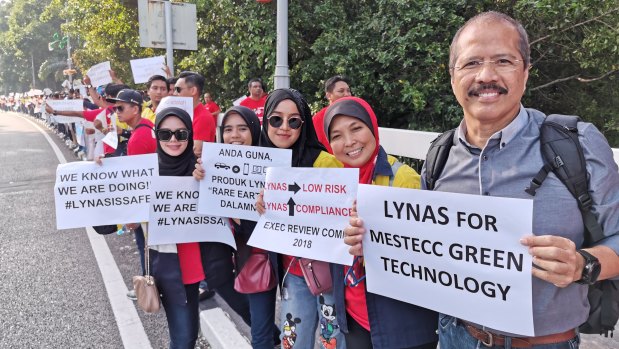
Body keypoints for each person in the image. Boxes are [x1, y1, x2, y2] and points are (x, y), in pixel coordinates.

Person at [344, 11, 619, 349]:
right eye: (471, 63)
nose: (487, 76)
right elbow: (427, 247)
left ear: (526, 72)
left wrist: (583, 264)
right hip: (455, 337)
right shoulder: (440, 155)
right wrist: (375, 239)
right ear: (452, 76)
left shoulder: (577, 144)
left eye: (503, 60)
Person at [324, 96, 438, 349]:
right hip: (353, 316)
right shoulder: (333, 184)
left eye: (356, 129)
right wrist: (269, 205)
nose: (349, 142)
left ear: (373, 128)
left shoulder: (404, 179)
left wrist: (376, 246)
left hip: (402, 324)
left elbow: (430, 253)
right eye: (337, 135)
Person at [255, 89, 346, 349]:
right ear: (266, 122)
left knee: (332, 343)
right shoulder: (258, 165)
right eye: (276, 120)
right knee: (292, 342)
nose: (284, 127)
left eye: (294, 121)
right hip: (293, 275)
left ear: (303, 124)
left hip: (329, 272)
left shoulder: (326, 163)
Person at [151, 106, 243, 349]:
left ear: (190, 136)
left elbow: (238, 205)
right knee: (183, 341)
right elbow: (108, 222)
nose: (173, 140)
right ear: (156, 135)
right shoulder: (144, 175)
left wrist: (211, 178)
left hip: (216, 265)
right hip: (173, 274)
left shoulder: (206, 167)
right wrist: (103, 170)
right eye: (165, 134)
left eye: (181, 134)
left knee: (258, 320)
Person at [193, 105, 280, 348]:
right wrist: (198, 176)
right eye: (228, 129)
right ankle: (275, 338)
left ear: (254, 130)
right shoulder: (211, 167)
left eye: (242, 128)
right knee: (251, 316)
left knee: (260, 336)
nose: (234, 136)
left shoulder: (273, 169)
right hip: (226, 263)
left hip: (260, 259)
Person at [107, 89, 157, 300]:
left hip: (147, 204)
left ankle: (148, 287)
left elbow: (137, 181)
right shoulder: (148, 128)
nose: (116, 112)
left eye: (120, 108)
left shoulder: (138, 138)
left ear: (135, 109)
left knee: (145, 246)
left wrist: (133, 215)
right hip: (157, 199)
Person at [174, 71, 216, 157]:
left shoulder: (203, 117)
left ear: (193, 90)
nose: (174, 93)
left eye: (178, 89)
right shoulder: (185, 114)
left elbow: (195, 151)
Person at [313, 76, 352, 153]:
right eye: (341, 91)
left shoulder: (355, 114)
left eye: (348, 91)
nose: (347, 94)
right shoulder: (318, 119)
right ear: (329, 96)